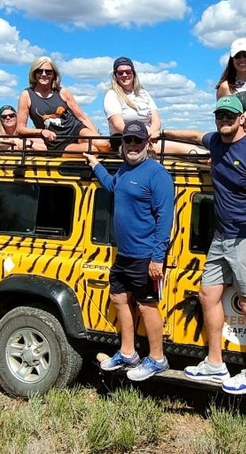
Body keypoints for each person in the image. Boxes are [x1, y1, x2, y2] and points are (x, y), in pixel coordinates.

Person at [156, 95, 246, 394]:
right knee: (207, 294)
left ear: (242, 119)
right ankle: (215, 363)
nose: (224, 120)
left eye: (230, 116)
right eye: (220, 116)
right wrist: (161, 133)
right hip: (222, 236)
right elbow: (191, 135)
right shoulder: (215, 141)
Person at [83, 120, 175, 381]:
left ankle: (157, 358)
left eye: (138, 140)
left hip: (145, 256)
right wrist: (96, 166)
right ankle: (127, 352)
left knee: (147, 307)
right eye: (128, 140)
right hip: (123, 255)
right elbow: (113, 186)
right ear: (122, 144)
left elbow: (165, 219)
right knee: (119, 300)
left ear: (147, 143)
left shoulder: (157, 174)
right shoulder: (124, 169)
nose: (133, 145)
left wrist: (158, 258)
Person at [104, 57, 201, 155]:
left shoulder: (143, 93)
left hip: (149, 137)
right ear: (115, 75)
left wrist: (152, 133)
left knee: (188, 141)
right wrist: (142, 137)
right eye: (120, 72)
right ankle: (207, 157)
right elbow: (118, 124)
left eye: (128, 71)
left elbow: (156, 119)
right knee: (183, 148)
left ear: (133, 73)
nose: (124, 75)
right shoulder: (112, 95)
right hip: (129, 140)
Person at [17, 56, 106, 152]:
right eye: (39, 71)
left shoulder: (62, 92)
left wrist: (95, 135)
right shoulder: (26, 95)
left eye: (48, 72)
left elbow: (82, 117)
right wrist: (42, 131)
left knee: (103, 144)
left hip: (76, 130)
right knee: (92, 150)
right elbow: (20, 128)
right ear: (34, 74)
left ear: (54, 75)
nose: (44, 74)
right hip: (57, 142)